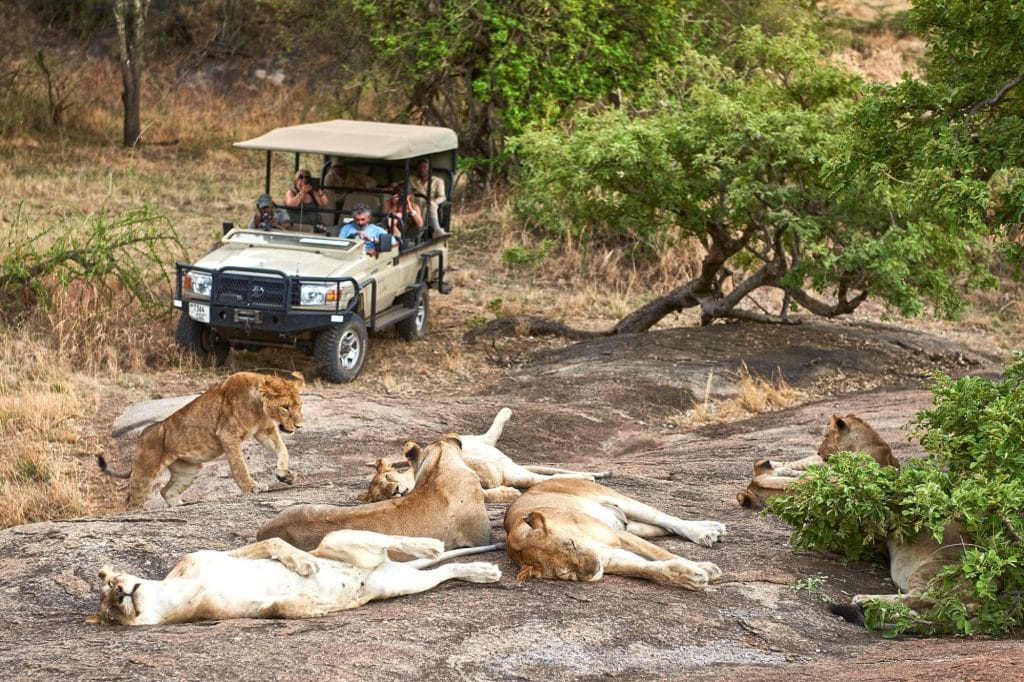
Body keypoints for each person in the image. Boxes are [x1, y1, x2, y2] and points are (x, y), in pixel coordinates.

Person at [406, 157, 447, 236]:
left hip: (428, 203)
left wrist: (434, 201)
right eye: (420, 167)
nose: (422, 169)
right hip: (413, 203)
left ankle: (434, 230)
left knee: (429, 205)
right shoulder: (411, 179)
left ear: (429, 169)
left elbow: (442, 197)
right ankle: (424, 232)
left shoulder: (438, 181)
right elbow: (399, 185)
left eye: (425, 167)